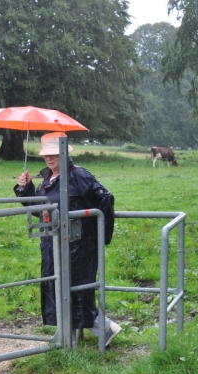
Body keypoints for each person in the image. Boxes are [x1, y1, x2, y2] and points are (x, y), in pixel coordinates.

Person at [14, 132, 121, 346]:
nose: (49, 158)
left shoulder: (79, 175)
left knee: (76, 288)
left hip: (79, 245)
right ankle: (72, 335)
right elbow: (40, 209)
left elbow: (105, 199)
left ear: (64, 153)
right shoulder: (48, 180)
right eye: (46, 154)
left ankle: (102, 328)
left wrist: (99, 235)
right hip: (52, 243)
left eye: (53, 153)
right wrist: (25, 189)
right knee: (56, 286)